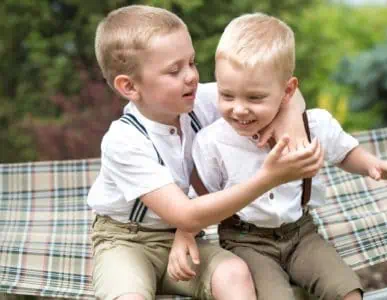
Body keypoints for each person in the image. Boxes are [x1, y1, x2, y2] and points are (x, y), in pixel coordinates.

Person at [87, 5, 324, 300]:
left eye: (192, 62)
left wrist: (293, 128)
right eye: (174, 70)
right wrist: (270, 177)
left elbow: (285, 91)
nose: (191, 77)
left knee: (235, 274)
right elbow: (185, 214)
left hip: (187, 239)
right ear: (130, 86)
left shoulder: (204, 101)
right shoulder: (123, 141)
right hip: (126, 241)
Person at [190, 13, 387, 300]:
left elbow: (344, 151)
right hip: (245, 242)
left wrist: (373, 165)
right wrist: (187, 235)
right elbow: (201, 202)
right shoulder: (213, 142)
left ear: (288, 91)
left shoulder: (314, 125)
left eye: (255, 98)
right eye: (227, 95)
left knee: (346, 289)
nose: (239, 109)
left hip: (302, 235)